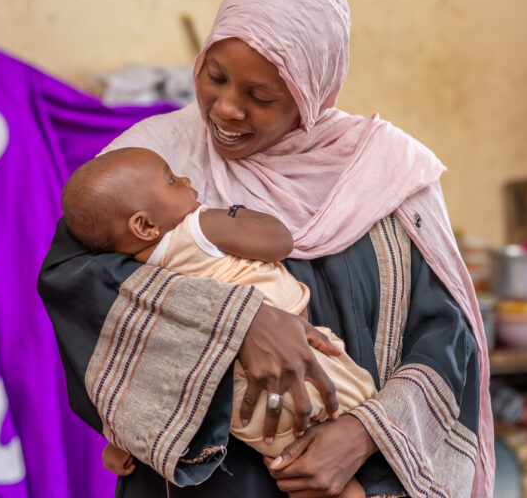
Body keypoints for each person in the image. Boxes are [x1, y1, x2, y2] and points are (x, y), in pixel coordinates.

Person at [39, 0, 494, 498]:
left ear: (310, 94)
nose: (226, 109)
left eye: (261, 97)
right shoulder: (150, 161)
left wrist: (361, 434)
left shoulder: (385, 176)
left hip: (348, 475)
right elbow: (78, 288)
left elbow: (446, 338)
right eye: (214, 77)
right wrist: (240, 322)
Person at [61, 146, 377, 497]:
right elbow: (280, 241)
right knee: (344, 431)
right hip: (302, 361)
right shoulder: (200, 227)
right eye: (171, 180)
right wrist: (233, 214)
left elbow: (140, 374)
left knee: (303, 470)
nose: (185, 178)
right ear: (146, 225)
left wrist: (122, 441)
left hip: (237, 401)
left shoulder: (138, 286)